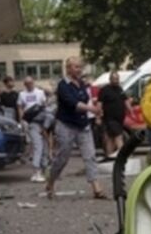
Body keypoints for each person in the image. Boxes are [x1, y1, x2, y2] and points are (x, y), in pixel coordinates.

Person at [46, 57, 106, 199]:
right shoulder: (62, 85)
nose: (79, 70)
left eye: (80, 67)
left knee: (90, 156)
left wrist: (95, 108)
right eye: (76, 67)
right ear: (68, 68)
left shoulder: (82, 84)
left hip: (83, 125)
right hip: (66, 125)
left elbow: (86, 99)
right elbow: (73, 103)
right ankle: (51, 181)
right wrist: (92, 109)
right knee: (63, 157)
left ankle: (96, 187)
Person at [17, 76, 49, 183]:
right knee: (37, 146)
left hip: (41, 121)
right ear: (24, 84)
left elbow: (44, 106)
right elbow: (20, 107)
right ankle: (36, 171)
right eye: (27, 83)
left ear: (33, 83)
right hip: (31, 122)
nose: (29, 85)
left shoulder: (40, 92)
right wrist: (22, 121)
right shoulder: (22, 94)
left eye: (30, 83)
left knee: (44, 145)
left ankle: (44, 169)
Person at [98, 71, 127, 158]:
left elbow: (125, 100)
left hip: (119, 119)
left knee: (110, 139)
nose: (116, 81)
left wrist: (131, 110)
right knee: (119, 137)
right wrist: (98, 117)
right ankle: (123, 157)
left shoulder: (120, 89)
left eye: (117, 79)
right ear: (110, 79)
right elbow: (99, 104)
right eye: (114, 79)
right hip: (110, 118)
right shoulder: (104, 90)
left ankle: (109, 156)